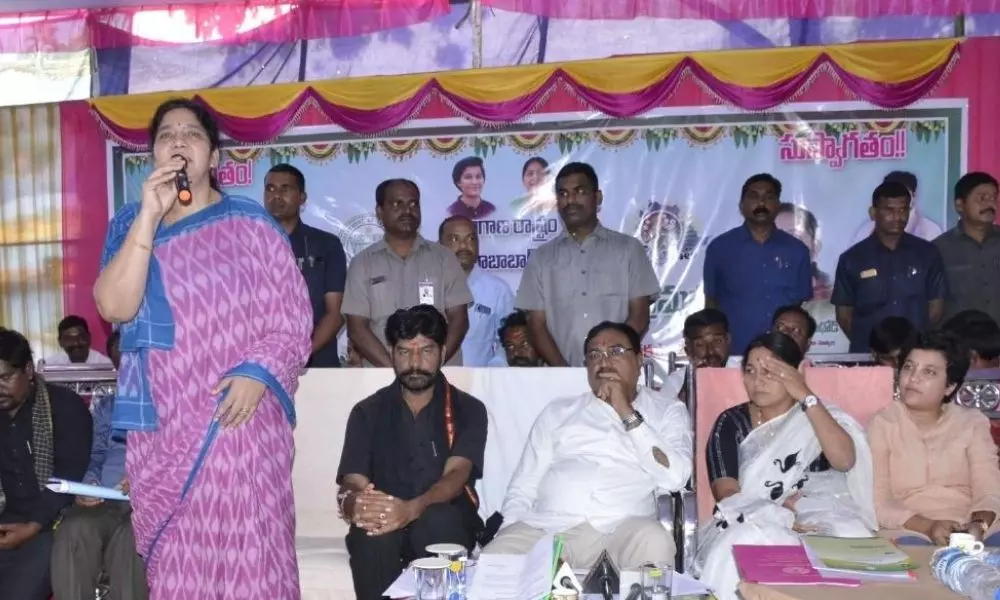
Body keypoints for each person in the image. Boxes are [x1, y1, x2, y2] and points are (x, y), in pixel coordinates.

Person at [93, 98, 312, 599]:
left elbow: (292, 318)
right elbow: (114, 306)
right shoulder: (130, 224)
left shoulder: (252, 226)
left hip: (241, 424)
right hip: (166, 431)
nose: (177, 141)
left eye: (191, 133)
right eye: (165, 135)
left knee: (253, 564)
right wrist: (150, 216)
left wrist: (258, 372)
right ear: (152, 155)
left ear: (213, 157)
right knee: (178, 571)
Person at [485, 322, 691, 569]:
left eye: (615, 351)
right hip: (550, 528)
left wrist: (626, 411)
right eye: (594, 355)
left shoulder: (667, 410)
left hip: (621, 531)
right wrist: (509, 529)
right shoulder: (559, 411)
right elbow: (524, 484)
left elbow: (676, 477)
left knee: (655, 541)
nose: (604, 362)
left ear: (639, 360)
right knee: (495, 558)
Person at [695, 331, 876, 600]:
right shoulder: (730, 422)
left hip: (819, 519)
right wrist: (779, 514)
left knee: (850, 535)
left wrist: (806, 396)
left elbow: (845, 460)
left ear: (796, 372)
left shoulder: (819, 416)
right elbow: (727, 494)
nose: (758, 381)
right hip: (754, 520)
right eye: (750, 371)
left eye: (770, 371)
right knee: (755, 539)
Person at [336, 305, 487, 600]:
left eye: (426, 351)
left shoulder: (468, 409)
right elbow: (353, 481)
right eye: (405, 352)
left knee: (439, 519)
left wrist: (410, 510)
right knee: (371, 533)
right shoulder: (367, 412)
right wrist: (358, 505)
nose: (415, 363)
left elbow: (457, 475)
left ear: (443, 353)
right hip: (386, 519)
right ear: (392, 354)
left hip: (444, 518)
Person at [515, 162, 660, 367]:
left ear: (597, 197)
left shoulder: (628, 249)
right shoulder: (541, 258)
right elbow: (536, 324)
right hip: (559, 376)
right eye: (563, 194)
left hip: (616, 372)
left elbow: (640, 315)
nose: (570, 200)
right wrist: (564, 372)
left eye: (580, 192)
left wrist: (609, 360)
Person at [869, 331, 1000, 546]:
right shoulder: (883, 424)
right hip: (911, 529)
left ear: (949, 387)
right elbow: (879, 502)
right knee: (914, 552)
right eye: (909, 367)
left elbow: (989, 490)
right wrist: (929, 527)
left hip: (974, 527)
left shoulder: (971, 423)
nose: (913, 378)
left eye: (929, 372)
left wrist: (978, 525)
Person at [51, 330, 149, 600]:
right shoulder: (108, 406)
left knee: (132, 540)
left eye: (135, 361)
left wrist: (144, 478)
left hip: (150, 501)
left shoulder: (174, 404)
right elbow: (95, 454)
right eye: (121, 364)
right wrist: (90, 483)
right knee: (73, 530)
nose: (129, 370)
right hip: (105, 499)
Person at [0, 328, 92, 600]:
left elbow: (69, 475)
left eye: (5, 378)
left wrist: (32, 526)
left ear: (28, 370)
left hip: (54, 522)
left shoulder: (63, 406)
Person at [343, 178, 472, 367]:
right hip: (382, 375)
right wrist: (397, 371)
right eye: (398, 204)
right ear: (379, 212)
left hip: (440, 373)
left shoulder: (444, 258)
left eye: (413, 204)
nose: (407, 210)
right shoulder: (362, 264)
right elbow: (357, 328)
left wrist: (433, 365)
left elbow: (459, 320)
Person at [832, 181, 947, 353]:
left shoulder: (928, 253)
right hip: (869, 355)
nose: (898, 217)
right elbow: (844, 315)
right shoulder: (852, 259)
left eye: (903, 210)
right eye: (889, 210)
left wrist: (911, 343)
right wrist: (876, 347)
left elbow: (936, 309)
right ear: (873, 213)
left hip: (914, 354)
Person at [704, 174, 812, 353]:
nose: (761, 203)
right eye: (754, 196)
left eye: (769, 197)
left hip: (783, 350)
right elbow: (712, 301)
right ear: (741, 206)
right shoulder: (720, 248)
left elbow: (800, 301)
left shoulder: (797, 250)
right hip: (736, 350)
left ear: (777, 205)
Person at [264, 163, 348, 367]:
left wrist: (301, 354)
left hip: (316, 363)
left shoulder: (326, 244)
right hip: (263, 365)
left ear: (302, 198)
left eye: (285, 189)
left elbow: (335, 313)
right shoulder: (249, 245)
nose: (277, 195)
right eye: (270, 189)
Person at [438, 215, 514, 366]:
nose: (464, 246)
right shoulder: (427, 285)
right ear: (439, 246)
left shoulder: (497, 290)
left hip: (479, 379)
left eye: (471, 239)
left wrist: (494, 370)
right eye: (455, 239)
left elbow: (509, 339)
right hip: (432, 378)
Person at [933, 171, 1000, 325]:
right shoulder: (938, 249)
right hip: (959, 338)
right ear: (960, 205)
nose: (990, 204)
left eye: (993, 198)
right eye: (982, 198)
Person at [664, 308, 739, 400]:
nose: (710, 351)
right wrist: (690, 384)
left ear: (728, 340)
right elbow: (667, 408)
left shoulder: (744, 371)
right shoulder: (676, 381)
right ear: (688, 349)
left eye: (717, 341)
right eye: (700, 345)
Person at [851, 171, 944, 243]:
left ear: (914, 196)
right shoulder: (867, 229)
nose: (895, 197)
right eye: (890, 192)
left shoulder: (931, 229)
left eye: (902, 193)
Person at [39, 315, 113, 367]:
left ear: (89, 338)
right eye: (69, 339)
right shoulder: (49, 366)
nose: (76, 343)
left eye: (81, 337)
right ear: (60, 342)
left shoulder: (106, 365)